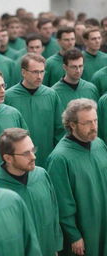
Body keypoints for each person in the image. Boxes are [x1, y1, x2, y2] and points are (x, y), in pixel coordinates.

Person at [47, 98, 107, 256]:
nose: (94, 127)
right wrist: (74, 235)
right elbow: (61, 202)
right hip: (84, 231)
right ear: (72, 124)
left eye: (95, 121)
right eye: (87, 123)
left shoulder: (99, 145)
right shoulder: (60, 158)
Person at [0, 128, 63, 256]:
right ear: (8, 158)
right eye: (26, 153)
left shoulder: (42, 175)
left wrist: (55, 246)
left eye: (33, 150)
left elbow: (54, 212)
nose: (33, 157)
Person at [5, 53, 64, 167]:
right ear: (23, 72)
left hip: (48, 155)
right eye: (35, 72)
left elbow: (60, 129)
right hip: (18, 159)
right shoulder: (9, 97)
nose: (39, 76)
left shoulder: (51, 95)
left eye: (42, 71)